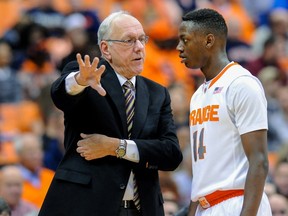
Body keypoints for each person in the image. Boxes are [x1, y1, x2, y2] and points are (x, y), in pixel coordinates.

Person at [39, 10, 183, 216]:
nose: (140, 47)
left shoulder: (158, 93)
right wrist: (79, 80)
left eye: (142, 39)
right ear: (106, 48)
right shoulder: (89, 77)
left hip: (141, 208)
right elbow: (61, 94)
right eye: (129, 40)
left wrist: (116, 147)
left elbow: (171, 154)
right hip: (86, 206)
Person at [176, 8, 272, 216]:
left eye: (185, 40)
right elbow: (203, 175)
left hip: (237, 202)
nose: (179, 47)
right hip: (206, 205)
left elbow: (259, 161)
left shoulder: (241, 84)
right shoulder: (198, 95)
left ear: (209, 41)